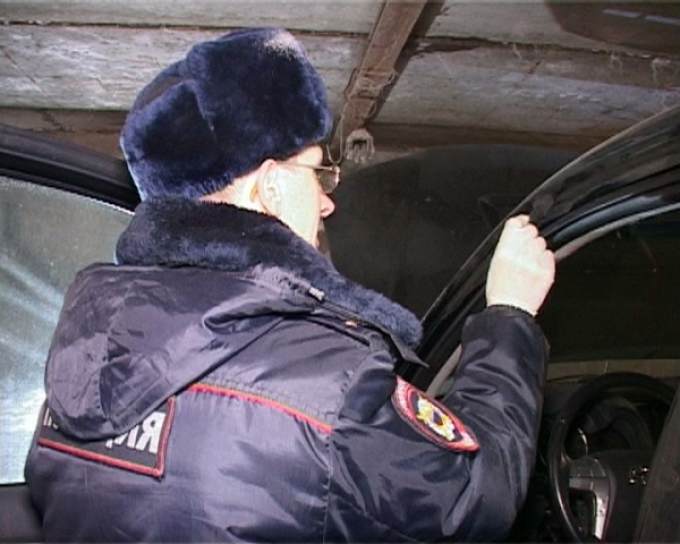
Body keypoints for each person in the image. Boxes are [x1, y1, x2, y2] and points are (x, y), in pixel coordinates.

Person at [25, 28, 555, 541]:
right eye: (318, 174)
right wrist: (510, 315)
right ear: (271, 187)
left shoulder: (81, 359)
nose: (327, 202)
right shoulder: (325, 387)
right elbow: (476, 497)